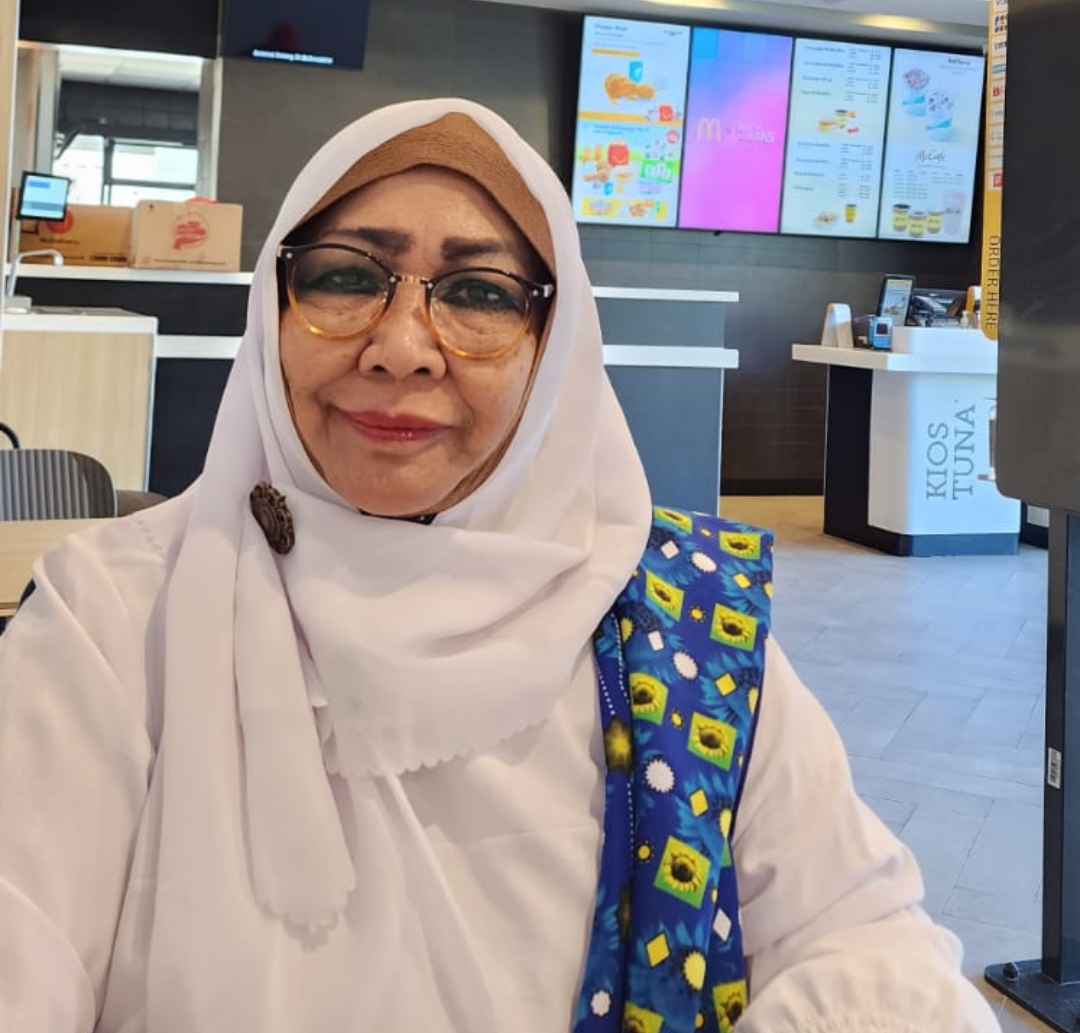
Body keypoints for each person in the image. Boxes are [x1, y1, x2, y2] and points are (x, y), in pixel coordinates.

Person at [0, 98, 999, 1033]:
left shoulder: (681, 629)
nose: (400, 348)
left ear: (551, 349)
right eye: (345, 277)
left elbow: (870, 943)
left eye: (479, 294)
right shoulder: (118, 618)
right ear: (275, 309)